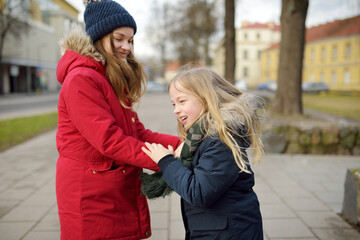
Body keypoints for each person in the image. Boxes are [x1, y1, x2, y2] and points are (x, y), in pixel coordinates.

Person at [55, 0, 181, 239]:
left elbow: (137, 133)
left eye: (131, 40)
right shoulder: (82, 79)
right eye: (119, 38)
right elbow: (110, 140)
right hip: (92, 195)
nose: (127, 47)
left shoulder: (107, 77)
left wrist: (182, 145)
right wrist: (165, 160)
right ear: (100, 37)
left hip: (109, 189)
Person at [142, 66, 265, 239]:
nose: (175, 110)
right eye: (173, 104)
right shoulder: (199, 137)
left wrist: (166, 161)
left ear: (206, 99)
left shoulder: (221, 140)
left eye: (182, 101)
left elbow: (198, 193)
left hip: (230, 233)